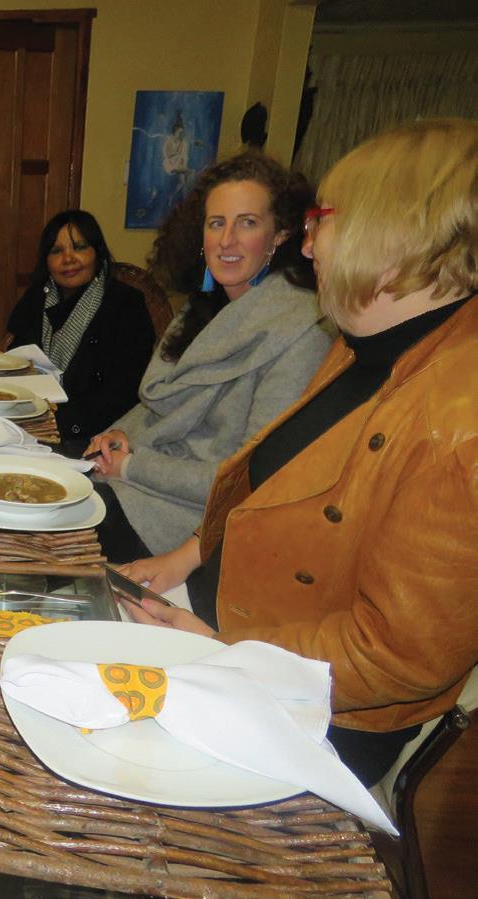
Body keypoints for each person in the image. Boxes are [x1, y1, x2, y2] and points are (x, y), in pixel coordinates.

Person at [120, 118, 478, 785]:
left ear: (393, 228)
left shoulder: (462, 420)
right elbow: (268, 487)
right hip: (229, 625)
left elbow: (396, 654)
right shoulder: (360, 344)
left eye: (321, 222)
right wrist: (179, 561)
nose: (308, 246)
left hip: (312, 708)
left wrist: (228, 655)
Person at [85, 153, 332, 563]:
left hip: (192, 529)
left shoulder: (302, 333)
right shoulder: (206, 306)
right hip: (140, 487)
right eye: (216, 223)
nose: (227, 240)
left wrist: (130, 466)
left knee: (38, 520)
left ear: (281, 235)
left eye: (247, 223)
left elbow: (249, 479)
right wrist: (115, 436)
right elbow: (158, 408)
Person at [6, 210, 156, 440]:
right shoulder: (35, 298)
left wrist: (57, 425)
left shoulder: (125, 304)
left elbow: (125, 392)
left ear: (97, 252)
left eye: (79, 247)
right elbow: (12, 363)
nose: (68, 259)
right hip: (28, 423)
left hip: (94, 435)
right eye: (57, 251)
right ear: (46, 260)